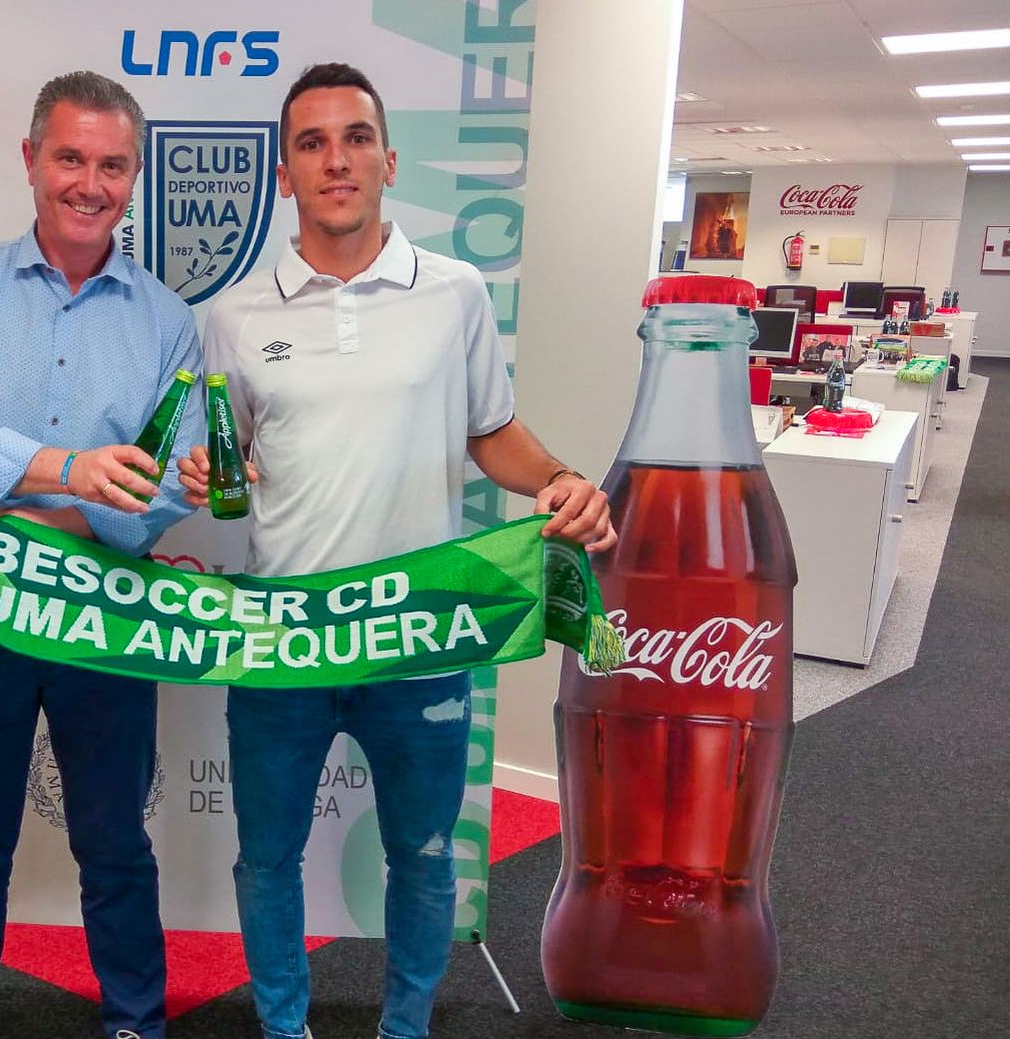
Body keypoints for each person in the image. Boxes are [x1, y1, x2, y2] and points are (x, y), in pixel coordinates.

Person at [178, 63, 616, 1039]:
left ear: (387, 157)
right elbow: (229, 461)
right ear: (284, 172)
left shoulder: (453, 292)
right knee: (264, 858)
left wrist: (556, 478)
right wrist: (200, 481)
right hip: (282, 640)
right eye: (311, 142)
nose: (337, 158)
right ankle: (283, 1028)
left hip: (420, 631)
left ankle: (405, 1029)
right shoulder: (235, 316)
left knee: (421, 853)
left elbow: (489, 431)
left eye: (355, 137)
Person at [0, 70, 201, 1039]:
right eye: (70, 157)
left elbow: (164, 487)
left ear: (134, 176)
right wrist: (71, 468)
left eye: (113, 165)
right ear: (31, 160)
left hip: (102, 612)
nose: (90, 182)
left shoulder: (167, 319)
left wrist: (41, 506)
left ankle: (134, 1021)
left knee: (116, 842)